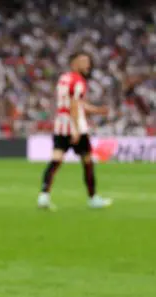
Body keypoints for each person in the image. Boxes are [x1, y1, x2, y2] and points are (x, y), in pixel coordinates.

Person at [38, 52, 112, 210]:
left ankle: (43, 196)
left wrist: (98, 110)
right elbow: (74, 105)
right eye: (84, 61)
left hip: (60, 124)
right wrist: (77, 130)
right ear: (74, 63)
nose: (88, 65)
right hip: (75, 125)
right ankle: (93, 198)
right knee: (88, 161)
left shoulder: (63, 79)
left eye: (88, 61)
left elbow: (76, 104)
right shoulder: (78, 81)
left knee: (56, 159)